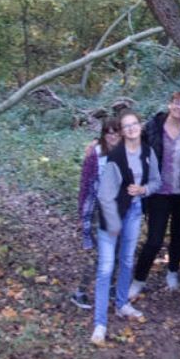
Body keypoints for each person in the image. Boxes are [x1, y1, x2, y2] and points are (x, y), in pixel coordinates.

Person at [91, 109, 160, 345]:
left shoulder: (148, 152)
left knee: (128, 260)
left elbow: (156, 181)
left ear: (140, 126)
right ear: (122, 131)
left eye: (134, 124)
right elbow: (104, 195)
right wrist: (114, 224)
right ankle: (100, 324)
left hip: (134, 211)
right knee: (105, 268)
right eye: (126, 126)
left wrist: (144, 190)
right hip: (111, 216)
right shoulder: (116, 157)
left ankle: (122, 304)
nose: (131, 129)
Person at [131, 91, 180, 296]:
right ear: (170, 104)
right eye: (177, 103)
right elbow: (136, 147)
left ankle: (173, 272)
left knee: (179, 236)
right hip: (158, 191)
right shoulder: (153, 126)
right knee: (154, 238)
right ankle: (139, 279)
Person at [72, 116, 122, 309]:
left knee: (117, 250)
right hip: (96, 208)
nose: (112, 136)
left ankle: (110, 286)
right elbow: (85, 183)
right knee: (97, 253)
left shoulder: (126, 151)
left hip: (117, 208)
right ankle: (81, 291)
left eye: (115, 131)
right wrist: (81, 212)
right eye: (108, 132)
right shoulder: (96, 153)